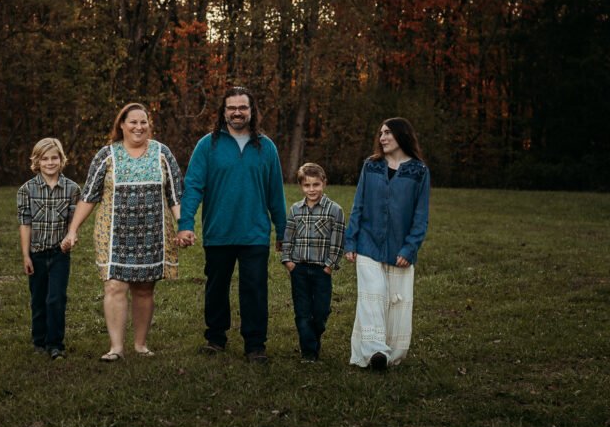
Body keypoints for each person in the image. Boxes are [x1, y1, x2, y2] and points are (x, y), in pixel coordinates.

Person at [61, 103, 183, 362]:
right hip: (113, 234)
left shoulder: (162, 153)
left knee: (143, 288)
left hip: (153, 234)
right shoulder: (107, 155)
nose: (139, 127)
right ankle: (116, 347)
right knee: (115, 286)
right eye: (133, 122)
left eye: (143, 122)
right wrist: (73, 229)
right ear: (122, 125)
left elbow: (175, 195)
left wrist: (183, 227)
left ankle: (140, 344)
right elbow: (89, 195)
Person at [177, 86, 288, 363]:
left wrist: (283, 232)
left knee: (254, 289)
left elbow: (276, 193)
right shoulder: (208, 145)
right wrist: (186, 223)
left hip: (255, 233)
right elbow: (192, 187)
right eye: (232, 108)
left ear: (252, 111)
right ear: (223, 112)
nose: (237, 112)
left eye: (243, 107)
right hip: (219, 231)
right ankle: (215, 338)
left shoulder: (266, 147)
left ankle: (255, 345)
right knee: (216, 288)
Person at [345, 117, 430, 371]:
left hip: (400, 249)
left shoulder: (419, 171)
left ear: (402, 136)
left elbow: (421, 216)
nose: (382, 138)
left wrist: (410, 248)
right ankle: (375, 351)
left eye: (388, 133)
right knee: (372, 298)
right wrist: (350, 241)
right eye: (380, 133)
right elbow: (358, 205)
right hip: (367, 243)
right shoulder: (370, 166)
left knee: (396, 301)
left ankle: (391, 353)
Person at [17, 138, 80, 360]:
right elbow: (25, 224)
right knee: (38, 299)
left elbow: (74, 223)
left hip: (59, 254)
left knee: (56, 298)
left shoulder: (72, 189)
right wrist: (26, 255)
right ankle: (39, 341)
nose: (50, 162)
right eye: (45, 158)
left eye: (54, 157)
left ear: (61, 160)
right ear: (37, 161)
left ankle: (55, 344)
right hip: (36, 253)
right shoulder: (26, 190)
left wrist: (70, 239)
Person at [280, 162, 346, 363]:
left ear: (324, 183)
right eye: (307, 185)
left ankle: (313, 338)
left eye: (316, 184)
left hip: (321, 270)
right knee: (302, 312)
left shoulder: (334, 210)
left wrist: (329, 265)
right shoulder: (295, 210)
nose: (312, 190)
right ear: (301, 186)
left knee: (320, 312)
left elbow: (338, 240)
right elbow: (288, 237)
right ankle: (309, 352)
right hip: (299, 268)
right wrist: (288, 261)